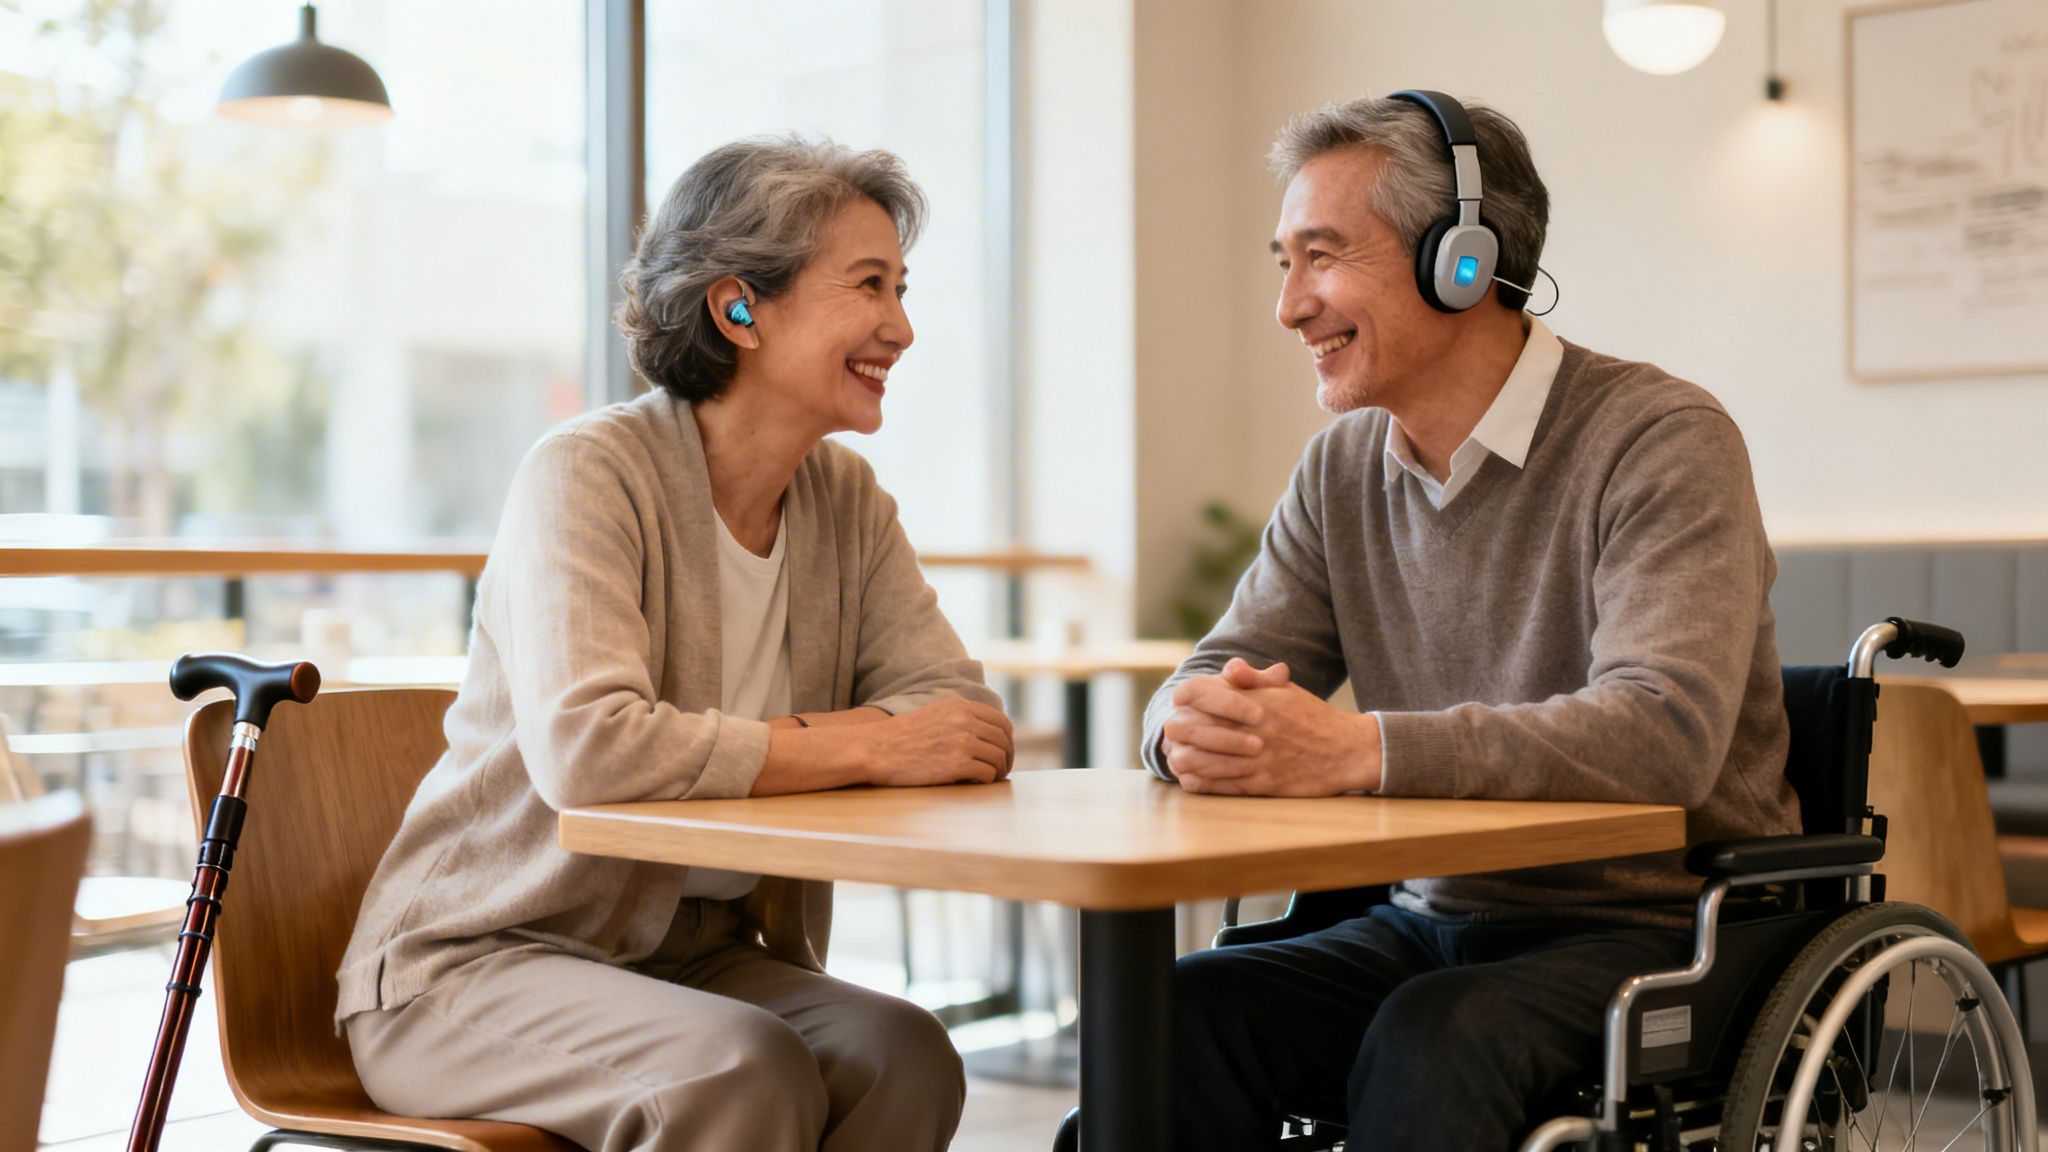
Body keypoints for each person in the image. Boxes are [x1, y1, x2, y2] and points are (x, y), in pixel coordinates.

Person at [335, 137, 1016, 1152]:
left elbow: (962, 723)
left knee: (903, 1052)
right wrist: (867, 743)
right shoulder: (588, 473)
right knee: (740, 1071)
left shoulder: (845, 502)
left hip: (686, 956)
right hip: (472, 964)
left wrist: (883, 737)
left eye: (900, 287)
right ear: (737, 308)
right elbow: (592, 752)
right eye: (869, 286)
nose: (900, 327)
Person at [1146, 92, 1797, 1150]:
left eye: (1320, 256)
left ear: (1460, 258)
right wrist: (1189, 724)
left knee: (1434, 1033)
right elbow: (1220, 666)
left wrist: (1359, 749)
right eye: (1282, 262)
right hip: (1430, 920)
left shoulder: (1659, 439)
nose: (1288, 307)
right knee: (1173, 1014)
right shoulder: (1341, 468)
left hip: (1663, 931)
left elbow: (1661, 731)